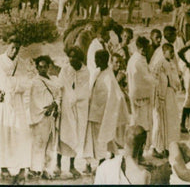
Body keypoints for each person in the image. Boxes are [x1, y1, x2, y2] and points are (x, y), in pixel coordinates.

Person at [0, 39, 31, 180]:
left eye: (17, 48)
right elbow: (3, 83)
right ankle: (3, 167)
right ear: (7, 46)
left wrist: (13, 83)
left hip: (18, 102)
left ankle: (22, 167)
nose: (14, 51)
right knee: (4, 132)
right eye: (12, 47)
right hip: (4, 103)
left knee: (21, 132)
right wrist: (15, 83)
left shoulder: (21, 62)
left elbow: (25, 83)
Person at [84, 49, 130, 164]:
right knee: (98, 140)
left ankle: (102, 162)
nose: (95, 61)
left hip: (103, 114)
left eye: (98, 59)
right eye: (95, 58)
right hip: (94, 112)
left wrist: (109, 113)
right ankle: (110, 158)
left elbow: (117, 97)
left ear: (104, 60)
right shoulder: (97, 72)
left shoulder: (109, 77)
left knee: (102, 139)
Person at [57, 47, 89, 178]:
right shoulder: (65, 69)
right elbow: (60, 85)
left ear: (79, 58)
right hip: (65, 108)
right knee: (62, 134)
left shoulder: (86, 71)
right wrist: (62, 100)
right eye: (70, 56)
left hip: (79, 108)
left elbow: (85, 90)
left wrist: (75, 98)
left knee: (75, 135)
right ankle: (58, 164)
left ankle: (72, 165)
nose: (71, 59)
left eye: (74, 57)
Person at [28, 55, 61, 179]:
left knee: (51, 143)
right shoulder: (35, 82)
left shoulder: (53, 79)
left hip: (53, 116)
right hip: (41, 117)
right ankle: (36, 169)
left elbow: (58, 95)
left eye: (45, 66)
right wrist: (46, 109)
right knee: (39, 143)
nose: (42, 69)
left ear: (49, 67)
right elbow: (34, 99)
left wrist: (55, 105)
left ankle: (47, 169)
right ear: (37, 68)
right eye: (40, 67)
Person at [151, 43, 181, 158]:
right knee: (159, 122)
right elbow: (155, 80)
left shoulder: (171, 63)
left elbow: (174, 79)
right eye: (170, 52)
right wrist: (158, 97)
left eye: (173, 52)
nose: (172, 54)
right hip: (162, 96)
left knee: (171, 122)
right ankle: (156, 147)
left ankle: (168, 146)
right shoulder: (160, 64)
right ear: (164, 53)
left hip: (170, 95)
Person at [126, 36, 155, 153]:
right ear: (142, 48)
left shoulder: (137, 58)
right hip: (140, 97)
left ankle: (138, 151)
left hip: (140, 95)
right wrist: (157, 80)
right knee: (141, 126)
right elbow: (146, 78)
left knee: (141, 124)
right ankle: (138, 152)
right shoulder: (137, 61)